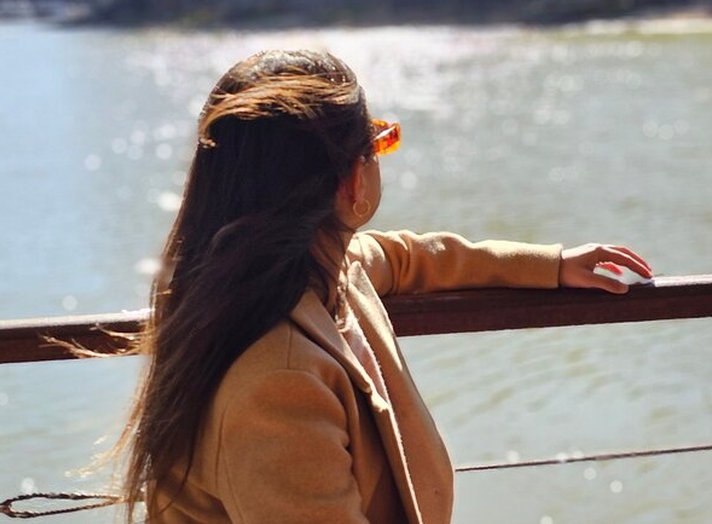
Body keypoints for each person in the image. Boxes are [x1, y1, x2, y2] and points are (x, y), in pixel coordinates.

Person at [115, 49, 652, 524]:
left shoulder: (298, 276)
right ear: (352, 181)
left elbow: (408, 256)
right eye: (379, 143)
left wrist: (550, 265)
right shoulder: (278, 384)